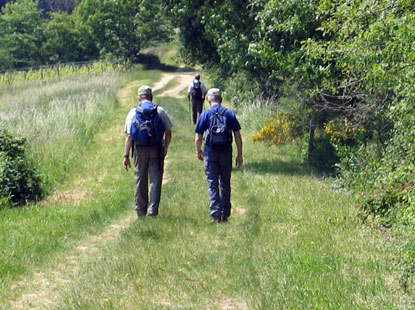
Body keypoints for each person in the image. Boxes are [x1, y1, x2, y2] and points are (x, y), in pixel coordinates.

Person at [123, 85, 173, 219]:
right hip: (156, 149)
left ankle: (140, 211)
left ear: (139, 98)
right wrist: (165, 147)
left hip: (139, 149)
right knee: (155, 180)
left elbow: (129, 136)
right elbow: (168, 133)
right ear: (151, 97)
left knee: (140, 179)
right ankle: (152, 212)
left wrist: (126, 155)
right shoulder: (160, 111)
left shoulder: (133, 112)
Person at [195, 88, 243, 223]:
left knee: (212, 183)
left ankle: (216, 214)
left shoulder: (205, 114)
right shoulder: (229, 114)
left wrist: (199, 151)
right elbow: (237, 135)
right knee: (225, 183)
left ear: (208, 100)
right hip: (226, 152)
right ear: (221, 99)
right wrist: (239, 154)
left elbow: (198, 137)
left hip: (210, 152)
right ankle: (225, 213)